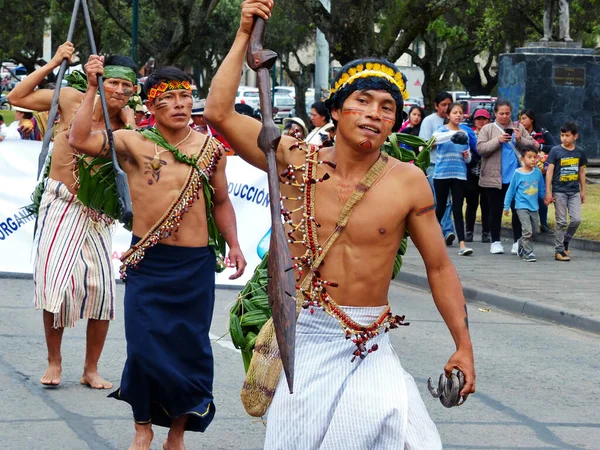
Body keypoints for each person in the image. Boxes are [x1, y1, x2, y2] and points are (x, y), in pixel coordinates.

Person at [206, 1, 475, 448]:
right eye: (362, 101)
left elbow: (440, 269)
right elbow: (217, 113)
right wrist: (243, 34)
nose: (374, 113)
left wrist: (463, 345)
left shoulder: (408, 181)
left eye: (387, 106)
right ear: (336, 110)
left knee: (400, 431)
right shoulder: (292, 160)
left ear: (394, 121)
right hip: (304, 331)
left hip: (370, 339)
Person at [68, 59, 247, 450]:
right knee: (145, 349)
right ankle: (143, 426)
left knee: (190, 352)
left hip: (194, 267)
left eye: (186, 96)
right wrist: (90, 89)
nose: (181, 104)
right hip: (149, 263)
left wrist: (233, 244)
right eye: (170, 98)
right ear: (151, 106)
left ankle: (177, 435)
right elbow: (79, 140)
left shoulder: (211, 149)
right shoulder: (134, 142)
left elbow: (221, 201)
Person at [7, 42, 138, 389]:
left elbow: (134, 166)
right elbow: (16, 98)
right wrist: (55, 61)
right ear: (101, 78)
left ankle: (91, 369)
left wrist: (131, 124)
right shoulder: (69, 98)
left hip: (96, 212)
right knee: (56, 282)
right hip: (60, 203)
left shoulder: (127, 122)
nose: (120, 91)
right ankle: (54, 361)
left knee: (101, 290)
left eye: (128, 86)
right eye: (114, 82)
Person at [477, 100, 536, 255]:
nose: (504, 116)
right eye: (501, 113)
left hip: (517, 178)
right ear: (495, 113)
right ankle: (495, 241)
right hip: (494, 178)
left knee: (518, 211)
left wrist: (520, 139)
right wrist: (497, 140)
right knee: (495, 210)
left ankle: (517, 241)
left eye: (507, 113)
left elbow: (533, 146)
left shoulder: (519, 128)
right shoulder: (488, 129)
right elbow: (481, 149)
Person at [432, 102, 473, 256]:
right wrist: (452, 135)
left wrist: (467, 156)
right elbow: (433, 141)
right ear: (448, 115)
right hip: (441, 174)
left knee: (457, 209)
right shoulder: (441, 130)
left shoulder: (465, 133)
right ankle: (431, 239)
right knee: (441, 208)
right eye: (455, 112)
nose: (458, 115)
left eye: (461, 113)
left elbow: (468, 159)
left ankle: (462, 244)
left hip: (459, 175)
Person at [545, 121, 587, 262]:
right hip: (559, 191)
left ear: (575, 136)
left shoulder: (579, 151)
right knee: (561, 221)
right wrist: (548, 192)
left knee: (576, 219)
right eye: (562, 135)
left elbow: (581, 172)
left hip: (574, 191)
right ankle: (559, 251)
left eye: (567, 135)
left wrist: (583, 190)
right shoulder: (555, 150)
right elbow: (550, 172)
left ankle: (565, 241)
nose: (564, 138)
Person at [419, 91, 455, 245]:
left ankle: (438, 230)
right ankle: (448, 230)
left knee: (447, 200)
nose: (446, 108)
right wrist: (442, 138)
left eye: (449, 105)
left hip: (452, 165)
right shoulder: (429, 121)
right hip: (434, 164)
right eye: (443, 105)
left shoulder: (454, 121)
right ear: (436, 106)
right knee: (442, 199)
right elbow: (424, 144)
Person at [503, 148, 546, 262]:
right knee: (527, 230)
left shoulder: (537, 172)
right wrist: (506, 206)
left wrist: (546, 198)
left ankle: (520, 242)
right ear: (522, 159)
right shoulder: (517, 173)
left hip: (534, 206)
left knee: (535, 231)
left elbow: (541, 188)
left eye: (535, 157)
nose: (533, 160)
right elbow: (511, 191)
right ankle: (528, 252)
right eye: (529, 157)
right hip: (521, 206)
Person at [519, 109, 556, 233]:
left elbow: (554, 147)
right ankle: (526, 224)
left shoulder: (542, 132)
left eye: (524, 118)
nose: (522, 121)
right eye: (520, 119)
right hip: (524, 171)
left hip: (541, 171)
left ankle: (543, 223)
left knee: (542, 196)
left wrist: (540, 146)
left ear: (532, 119)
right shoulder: (519, 134)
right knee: (526, 196)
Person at [466, 108, 491, 243]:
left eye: (484, 119)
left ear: (489, 120)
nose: (481, 121)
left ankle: (486, 232)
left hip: (488, 174)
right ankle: (469, 230)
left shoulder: (492, 134)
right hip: (472, 174)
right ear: (474, 120)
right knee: (471, 203)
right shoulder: (470, 134)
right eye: (478, 118)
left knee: (486, 205)